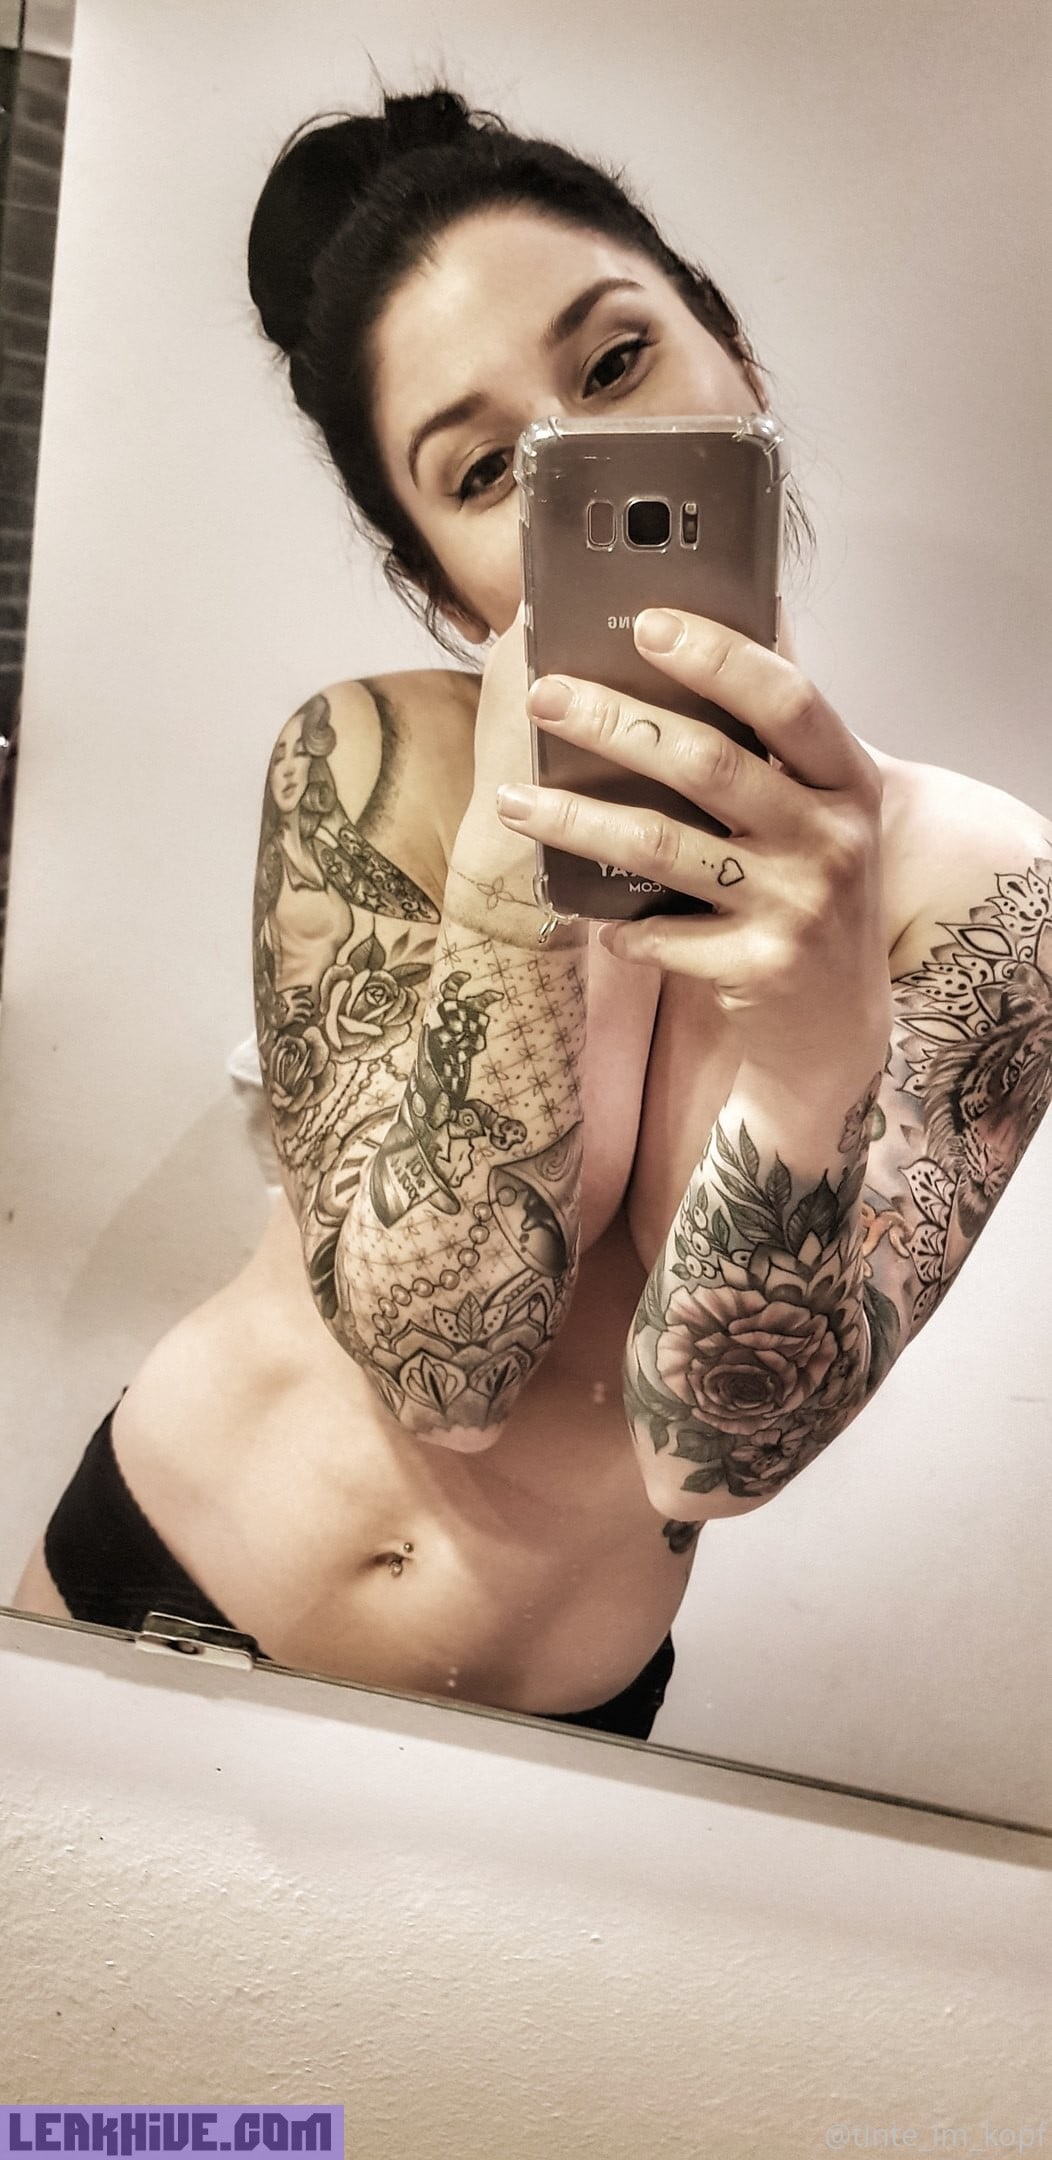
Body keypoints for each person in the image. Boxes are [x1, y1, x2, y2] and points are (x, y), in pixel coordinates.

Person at [15, 86, 1051, 1740]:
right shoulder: (373, 767)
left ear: (736, 358)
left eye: (618, 362)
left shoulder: (986, 892)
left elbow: (714, 1457)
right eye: (488, 467)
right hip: (160, 1587)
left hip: (564, 1730)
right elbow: (445, 1369)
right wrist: (520, 868)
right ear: (437, 579)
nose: (577, 465)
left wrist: (814, 1046)